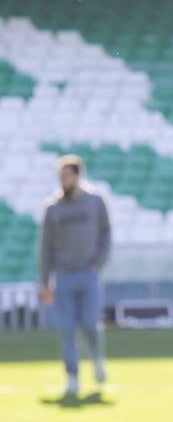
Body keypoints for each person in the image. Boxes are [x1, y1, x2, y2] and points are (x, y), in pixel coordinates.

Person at [39, 154, 111, 400]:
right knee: (67, 329)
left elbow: (106, 233)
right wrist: (44, 281)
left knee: (90, 323)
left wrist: (97, 264)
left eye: (67, 175)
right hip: (63, 277)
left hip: (88, 274)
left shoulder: (95, 201)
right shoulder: (52, 207)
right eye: (60, 176)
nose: (63, 180)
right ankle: (72, 377)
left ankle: (97, 359)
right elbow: (45, 246)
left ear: (78, 176)